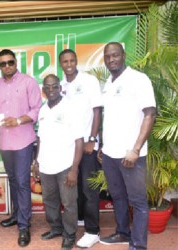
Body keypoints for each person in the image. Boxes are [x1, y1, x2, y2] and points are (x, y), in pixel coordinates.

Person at [99, 42, 156, 250]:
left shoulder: (138, 79)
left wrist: (136, 149)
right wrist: (102, 147)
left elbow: (150, 113)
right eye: (107, 56)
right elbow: (110, 118)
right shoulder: (109, 82)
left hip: (131, 155)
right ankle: (123, 232)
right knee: (118, 196)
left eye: (115, 55)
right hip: (109, 154)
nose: (111, 59)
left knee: (138, 201)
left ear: (123, 55)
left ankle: (139, 245)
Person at [0, 49, 42, 247]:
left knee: (22, 182)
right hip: (4, 142)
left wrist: (18, 120)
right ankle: (18, 215)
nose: (7, 66)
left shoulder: (28, 82)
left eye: (10, 62)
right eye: (3, 63)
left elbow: (36, 109)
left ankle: (24, 226)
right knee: (13, 180)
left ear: (16, 62)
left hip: (23, 141)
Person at [32, 74, 84, 250]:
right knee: (49, 200)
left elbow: (79, 140)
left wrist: (74, 169)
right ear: (43, 90)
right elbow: (40, 138)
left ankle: (69, 235)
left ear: (60, 88)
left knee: (69, 203)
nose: (52, 90)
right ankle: (55, 228)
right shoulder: (43, 110)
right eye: (48, 87)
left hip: (65, 166)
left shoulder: (70, 107)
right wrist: (37, 161)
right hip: (46, 165)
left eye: (55, 86)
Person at [59, 49, 102, 248]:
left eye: (72, 60)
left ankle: (93, 231)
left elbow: (96, 110)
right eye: (65, 61)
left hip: (86, 145)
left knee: (89, 188)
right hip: (68, 147)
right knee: (74, 187)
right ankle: (81, 219)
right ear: (61, 64)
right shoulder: (60, 86)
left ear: (77, 62)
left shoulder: (89, 81)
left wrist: (92, 139)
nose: (68, 64)